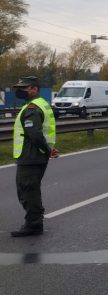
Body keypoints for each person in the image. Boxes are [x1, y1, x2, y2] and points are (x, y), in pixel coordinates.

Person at [10, 76, 59, 237]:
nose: (20, 90)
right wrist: (48, 150)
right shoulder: (40, 104)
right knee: (29, 189)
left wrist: (47, 150)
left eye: (24, 87)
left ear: (34, 89)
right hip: (35, 155)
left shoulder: (32, 108)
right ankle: (34, 221)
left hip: (31, 156)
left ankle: (34, 224)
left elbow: (35, 135)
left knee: (28, 190)